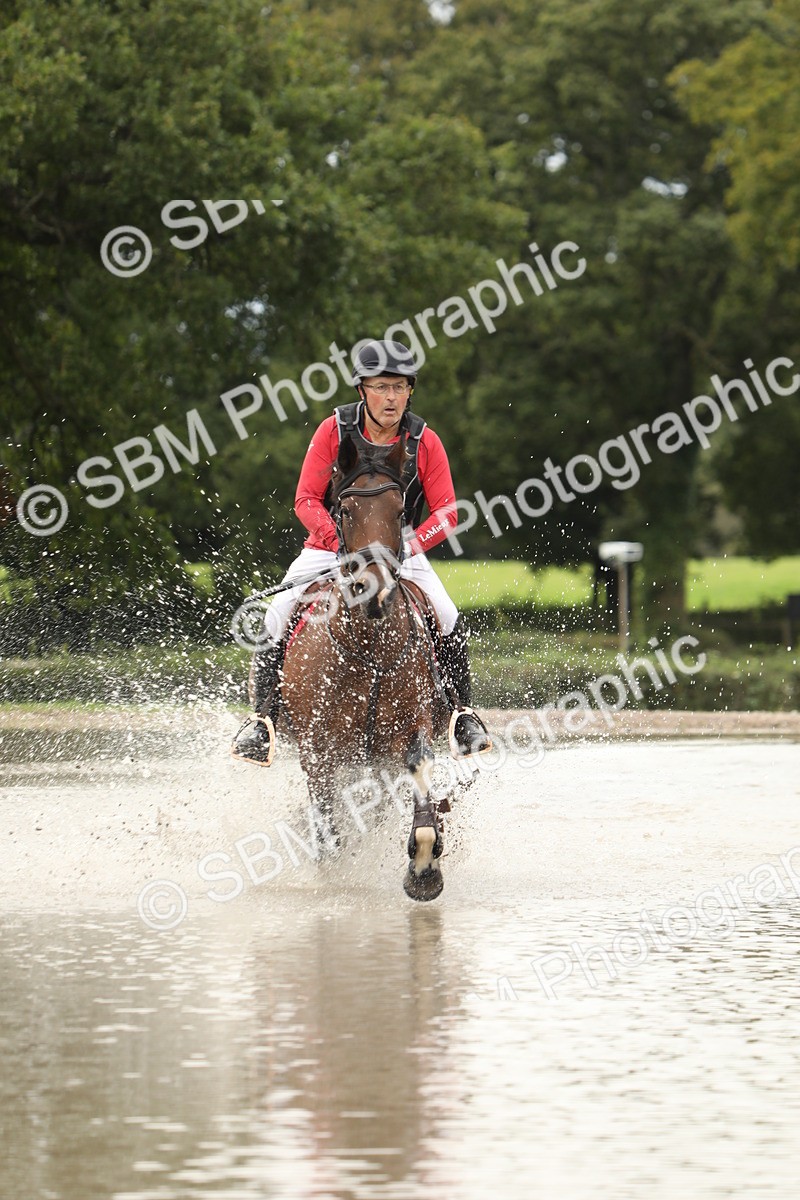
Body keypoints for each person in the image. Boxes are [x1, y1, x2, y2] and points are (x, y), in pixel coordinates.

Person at [231, 338, 491, 765]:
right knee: (278, 611)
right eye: (381, 386)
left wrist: (410, 544)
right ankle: (262, 721)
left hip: (399, 547)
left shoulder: (425, 440)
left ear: (410, 391)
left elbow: (447, 512)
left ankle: (462, 715)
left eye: (400, 387)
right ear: (362, 390)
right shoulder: (333, 430)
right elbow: (305, 500)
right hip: (332, 544)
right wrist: (338, 544)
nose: (391, 397)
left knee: (446, 614)